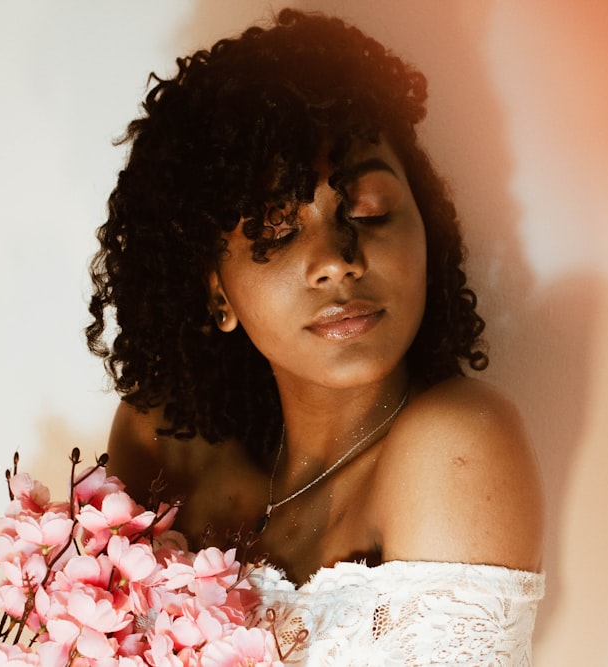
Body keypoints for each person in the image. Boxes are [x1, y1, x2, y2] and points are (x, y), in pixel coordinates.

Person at [87, 9, 544, 664]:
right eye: (275, 225)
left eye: (369, 209)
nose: (337, 259)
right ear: (216, 288)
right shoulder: (163, 442)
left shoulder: (454, 445)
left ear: (425, 230)